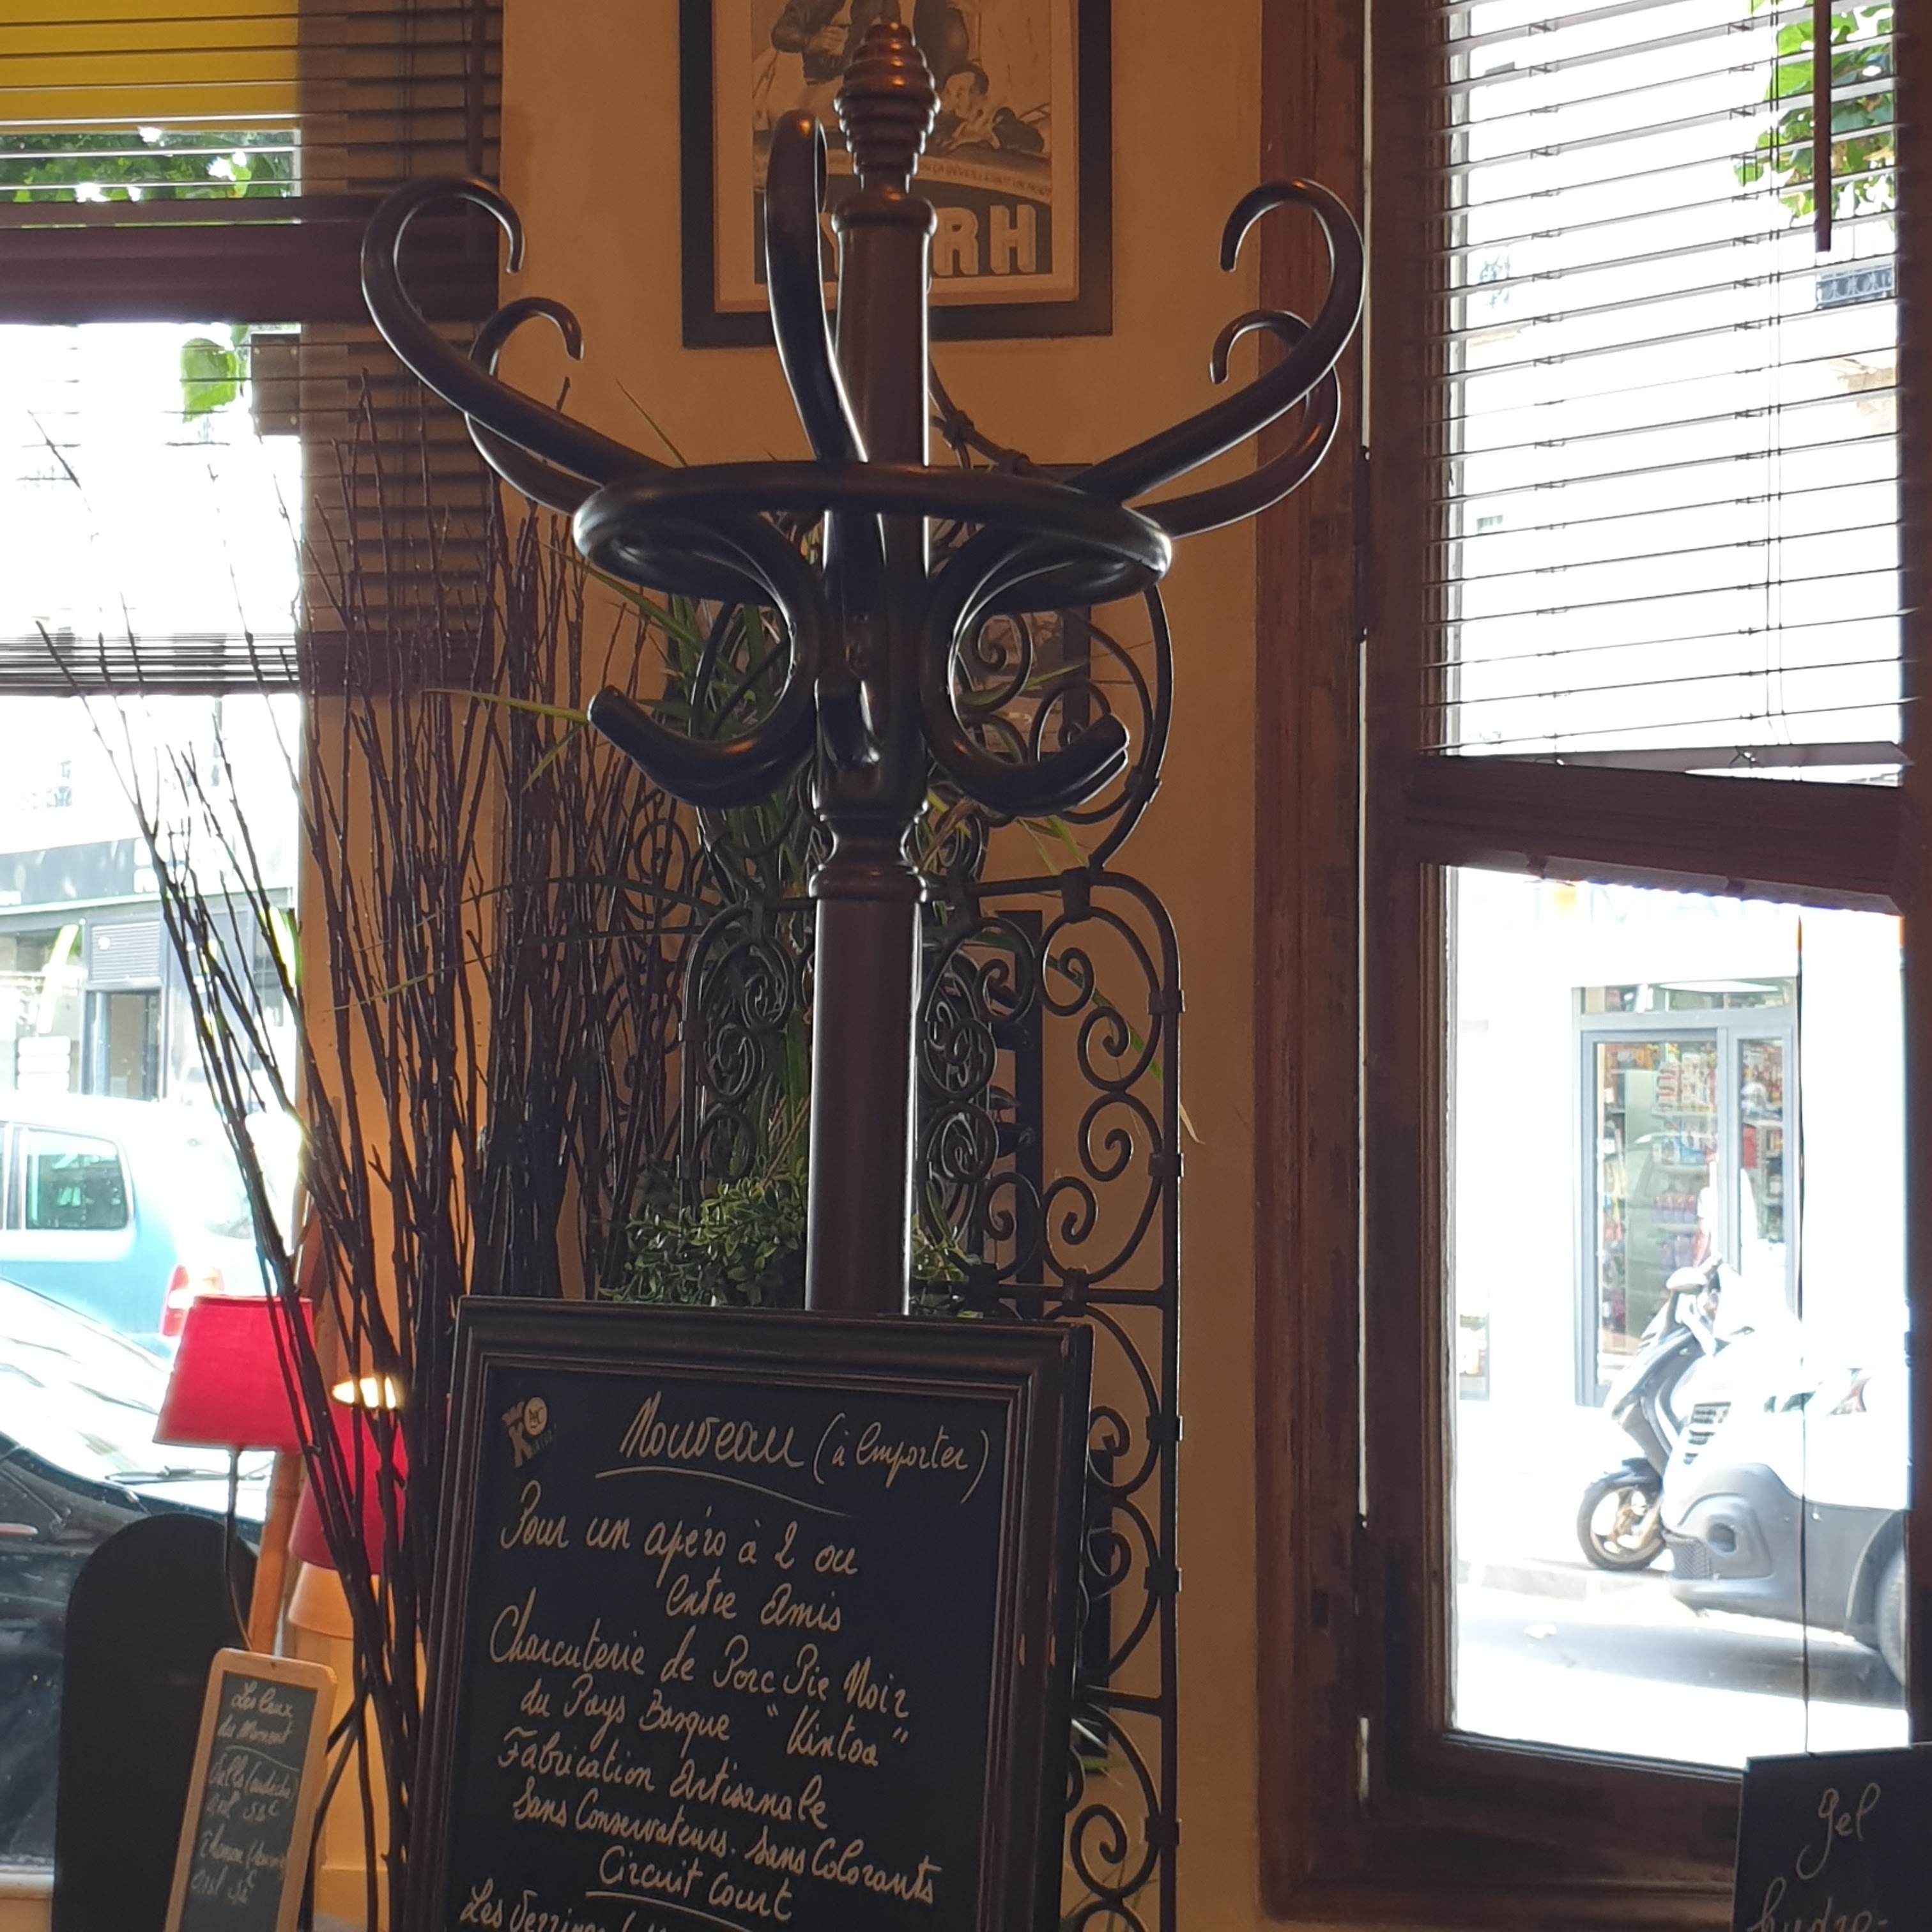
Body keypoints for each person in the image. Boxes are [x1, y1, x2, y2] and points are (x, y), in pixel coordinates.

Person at [932, 63, 1045, 155]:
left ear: (982, 97)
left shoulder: (1000, 120)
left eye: (961, 94)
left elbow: (1035, 140)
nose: (955, 100)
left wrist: (990, 136)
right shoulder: (943, 123)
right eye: (949, 93)